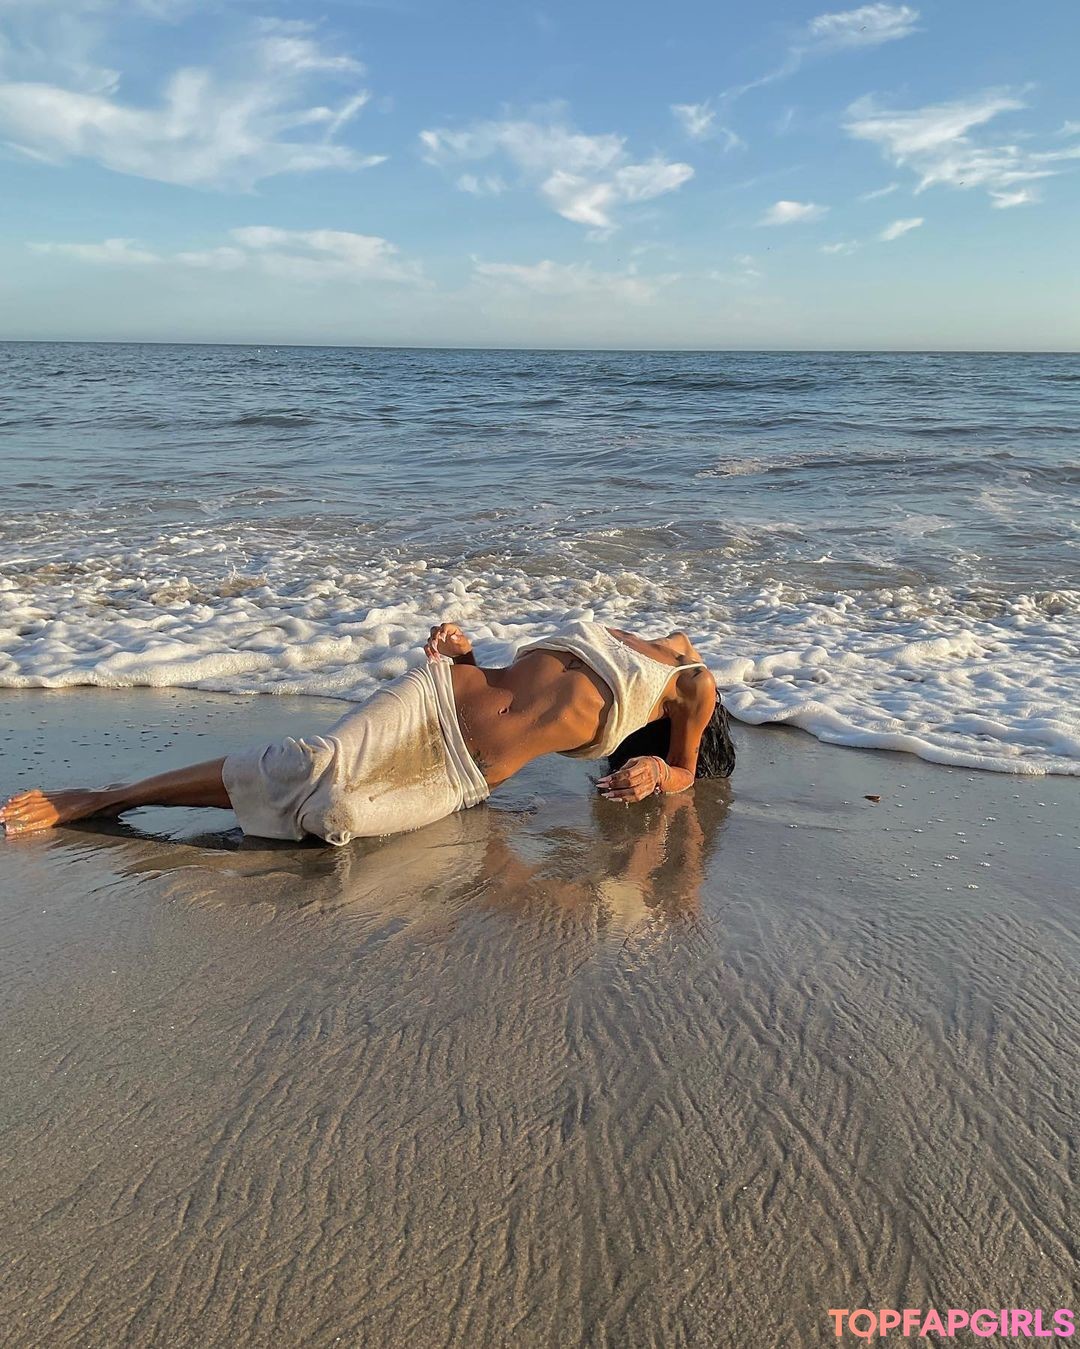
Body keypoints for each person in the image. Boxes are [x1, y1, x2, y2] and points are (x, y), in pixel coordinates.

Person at [1, 617, 736, 843]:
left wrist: (656, 773)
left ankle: (147, 801)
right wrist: (464, 653)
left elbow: (683, 771)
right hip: (438, 693)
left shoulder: (691, 687)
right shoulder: (626, 629)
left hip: (460, 775)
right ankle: (107, 796)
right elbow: (511, 681)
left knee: (337, 816)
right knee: (308, 763)